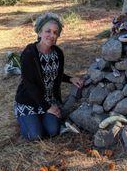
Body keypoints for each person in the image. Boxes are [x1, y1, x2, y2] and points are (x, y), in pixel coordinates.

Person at [14, 12, 83, 141]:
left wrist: (69, 79)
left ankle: (39, 120)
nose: (52, 35)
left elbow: (53, 74)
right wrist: (48, 108)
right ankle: (25, 118)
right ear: (39, 33)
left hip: (49, 100)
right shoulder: (29, 53)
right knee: (35, 136)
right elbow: (30, 84)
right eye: (48, 31)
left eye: (55, 32)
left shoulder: (58, 53)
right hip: (29, 101)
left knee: (52, 131)